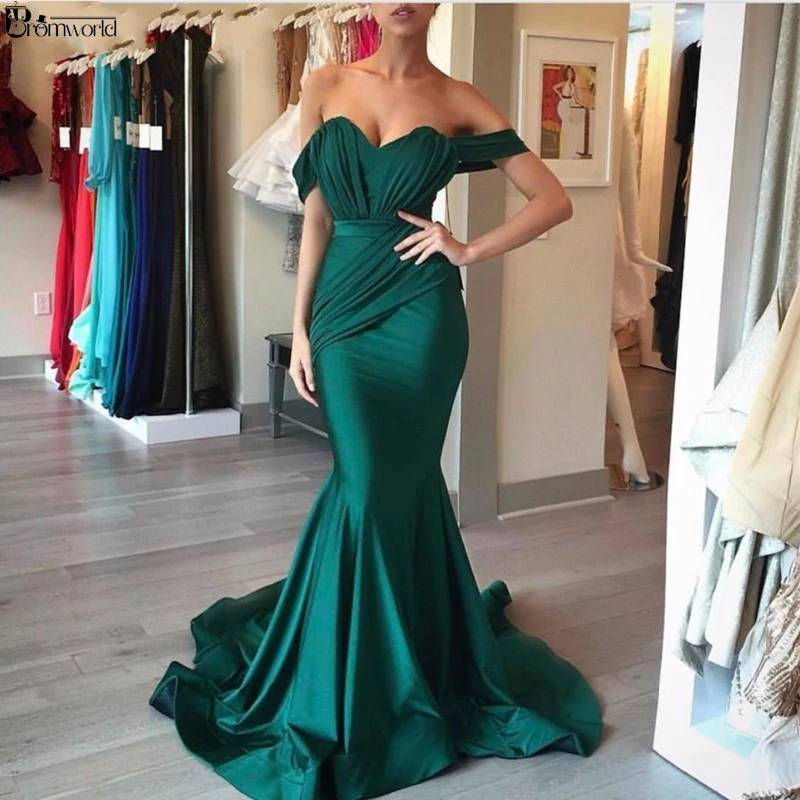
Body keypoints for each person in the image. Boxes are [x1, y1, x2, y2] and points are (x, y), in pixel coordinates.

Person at [148, 5, 603, 799]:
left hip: (423, 315)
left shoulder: (460, 99)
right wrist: (301, 327)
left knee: (398, 485)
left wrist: (466, 249)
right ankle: (362, 665)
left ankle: (397, 665)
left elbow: (551, 199)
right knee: (364, 486)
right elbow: (318, 213)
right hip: (342, 317)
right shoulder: (324, 84)